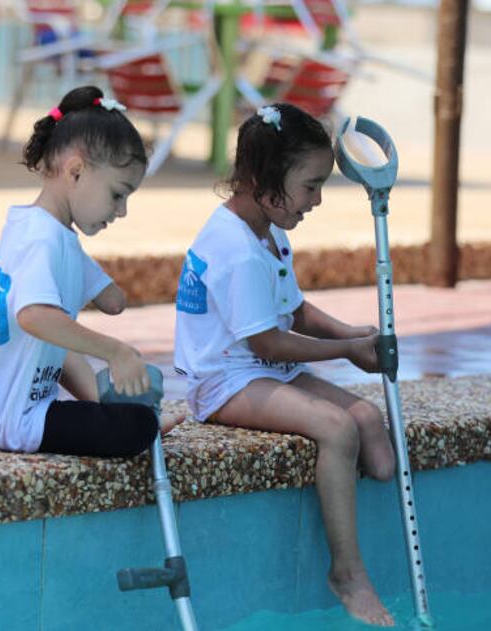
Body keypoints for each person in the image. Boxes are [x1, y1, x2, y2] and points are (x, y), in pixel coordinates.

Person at [174, 103, 397, 627]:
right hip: (221, 382)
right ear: (264, 183)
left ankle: (347, 520)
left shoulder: (268, 231)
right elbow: (270, 345)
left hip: (258, 369)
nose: (317, 200)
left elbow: (293, 310)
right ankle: (348, 572)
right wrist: (345, 352)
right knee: (338, 430)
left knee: (370, 428)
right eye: (311, 187)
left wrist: (351, 332)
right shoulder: (236, 250)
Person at [0, 85, 175, 457]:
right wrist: (116, 352)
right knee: (135, 429)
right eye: (117, 194)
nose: (121, 212)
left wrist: (109, 302)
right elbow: (35, 317)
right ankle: (136, 419)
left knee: (64, 344)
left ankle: (119, 411)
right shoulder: (42, 240)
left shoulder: (45, 232)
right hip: (11, 418)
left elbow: (113, 302)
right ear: (76, 172)